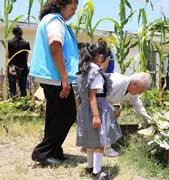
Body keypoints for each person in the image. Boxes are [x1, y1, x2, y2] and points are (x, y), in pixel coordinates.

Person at [29, 0, 79, 164]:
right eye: (72, 8)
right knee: (68, 113)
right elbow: (55, 47)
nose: (74, 12)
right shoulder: (55, 21)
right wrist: (64, 77)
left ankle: (53, 151)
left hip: (50, 76)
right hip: (55, 77)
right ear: (62, 5)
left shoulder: (52, 20)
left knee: (55, 113)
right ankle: (42, 151)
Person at [76, 43, 112, 179]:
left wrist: (79, 111)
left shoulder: (84, 70)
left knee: (91, 140)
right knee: (99, 142)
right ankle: (97, 172)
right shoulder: (95, 72)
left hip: (85, 108)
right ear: (101, 57)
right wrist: (96, 116)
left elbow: (79, 94)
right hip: (96, 108)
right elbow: (92, 95)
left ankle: (90, 167)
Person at [7, 25, 31, 98]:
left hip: (12, 68)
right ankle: (23, 106)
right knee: (23, 90)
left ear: (13, 32)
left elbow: (8, 56)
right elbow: (26, 57)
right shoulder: (26, 43)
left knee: (12, 90)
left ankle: (12, 105)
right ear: (21, 33)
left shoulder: (9, 42)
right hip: (23, 68)